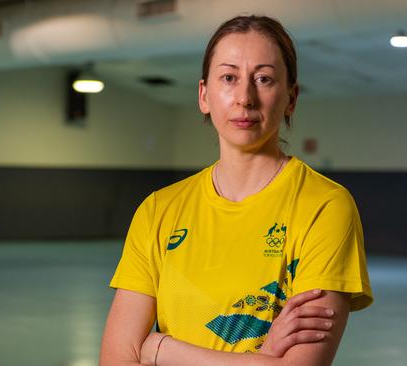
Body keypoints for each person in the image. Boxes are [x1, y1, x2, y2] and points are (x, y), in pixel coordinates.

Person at [100, 15, 373, 366]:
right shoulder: (158, 210)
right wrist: (265, 358)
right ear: (204, 95)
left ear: (291, 98)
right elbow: (116, 360)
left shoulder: (325, 206)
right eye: (229, 78)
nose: (245, 97)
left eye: (264, 79)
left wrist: (161, 350)